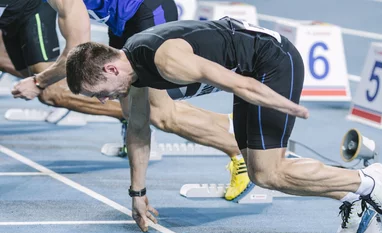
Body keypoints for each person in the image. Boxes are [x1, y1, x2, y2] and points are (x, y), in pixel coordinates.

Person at [65, 17, 382, 233]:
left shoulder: (164, 59)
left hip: (271, 63)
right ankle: (353, 195)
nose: (104, 101)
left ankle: (370, 182)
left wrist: (287, 106)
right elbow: (138, 131)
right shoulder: (133, 68)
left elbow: (234, 82)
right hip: (251, 72)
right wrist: (138, 193)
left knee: (270, 172)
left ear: (109, 69)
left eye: (100, 93)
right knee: (262, 174)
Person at [6, 0, 250, 200]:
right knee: (130, 108)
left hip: (147, 12)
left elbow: (75, 52)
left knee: (156, 112)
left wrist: (39, 81)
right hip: (122, 22)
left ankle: (240, 155)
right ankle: (220, 123)